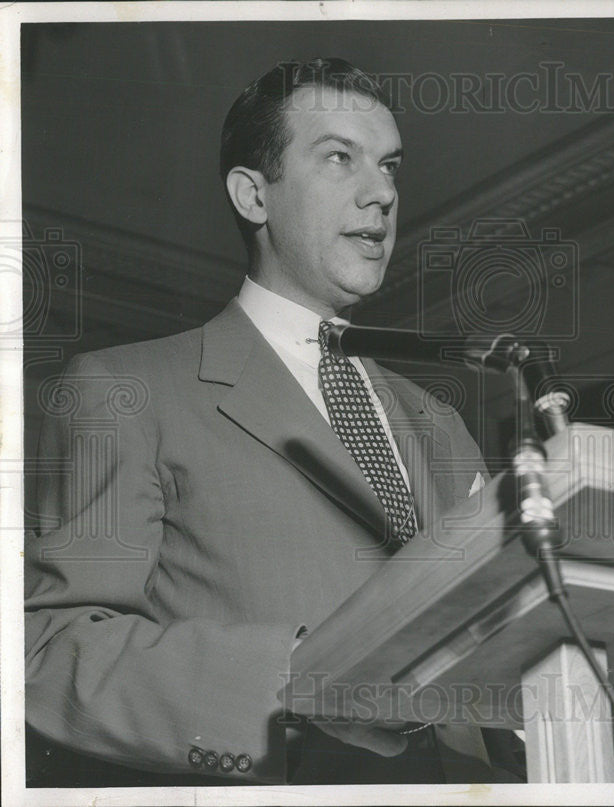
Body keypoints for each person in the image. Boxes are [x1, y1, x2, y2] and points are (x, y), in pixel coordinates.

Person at [24, 58, 521, 786]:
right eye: (338, 158)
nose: (381, 191)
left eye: (389, 166)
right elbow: (54, 652)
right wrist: (298, 681)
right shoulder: (125, 390)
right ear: (253, 195)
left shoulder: (440, 421)